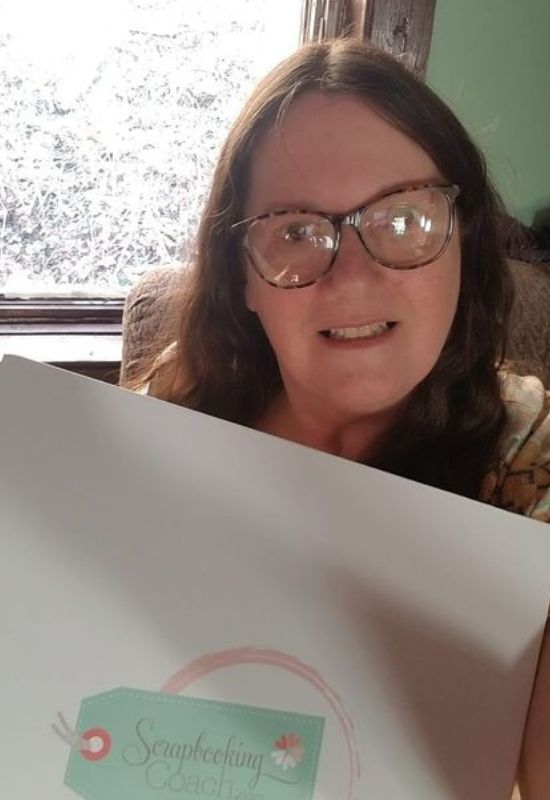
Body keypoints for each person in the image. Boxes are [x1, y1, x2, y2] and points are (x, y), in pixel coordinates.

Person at [124, 39, 549, 797]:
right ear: (242, 277)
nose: (352, 280)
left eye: (404, 219)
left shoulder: (529, 454)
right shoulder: (178, 407)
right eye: (294, 230)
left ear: (464, 240)